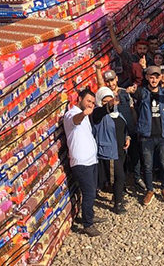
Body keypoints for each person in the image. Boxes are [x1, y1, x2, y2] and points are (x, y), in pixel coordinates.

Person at [128, 66, 164, 205]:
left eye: (157, 76)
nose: (154, 79)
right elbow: (133, 92)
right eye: (151, 76)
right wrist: (131, 91)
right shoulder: (142, 92)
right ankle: (150, 190)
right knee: (147, 165)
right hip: (146, 135)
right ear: (147, 77)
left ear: (161, 78)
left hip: (162, 134)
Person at [64, 89, 105, 237]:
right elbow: (75, 120)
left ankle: (90, 215)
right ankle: (88, 224)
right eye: (88, 101)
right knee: (88, 193)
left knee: (92, 191)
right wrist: (83, 114)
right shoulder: (71, 114)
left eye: (93, 103)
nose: (90, 105)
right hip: (82, 163)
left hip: (91, 160)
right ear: (79, 99)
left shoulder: (86, 115)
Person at [92, 87, 130, 215]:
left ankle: (117, 196)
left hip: (120, 150)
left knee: (120, 176)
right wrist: (108, 105)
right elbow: (102, 111)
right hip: (109, 151)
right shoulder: (98, 114)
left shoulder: (117, 112)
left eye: (111, 100)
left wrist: (127, 137)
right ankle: (117, 204)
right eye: (105, 101)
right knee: (118, 177)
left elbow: (123, 127)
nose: (111, 103)